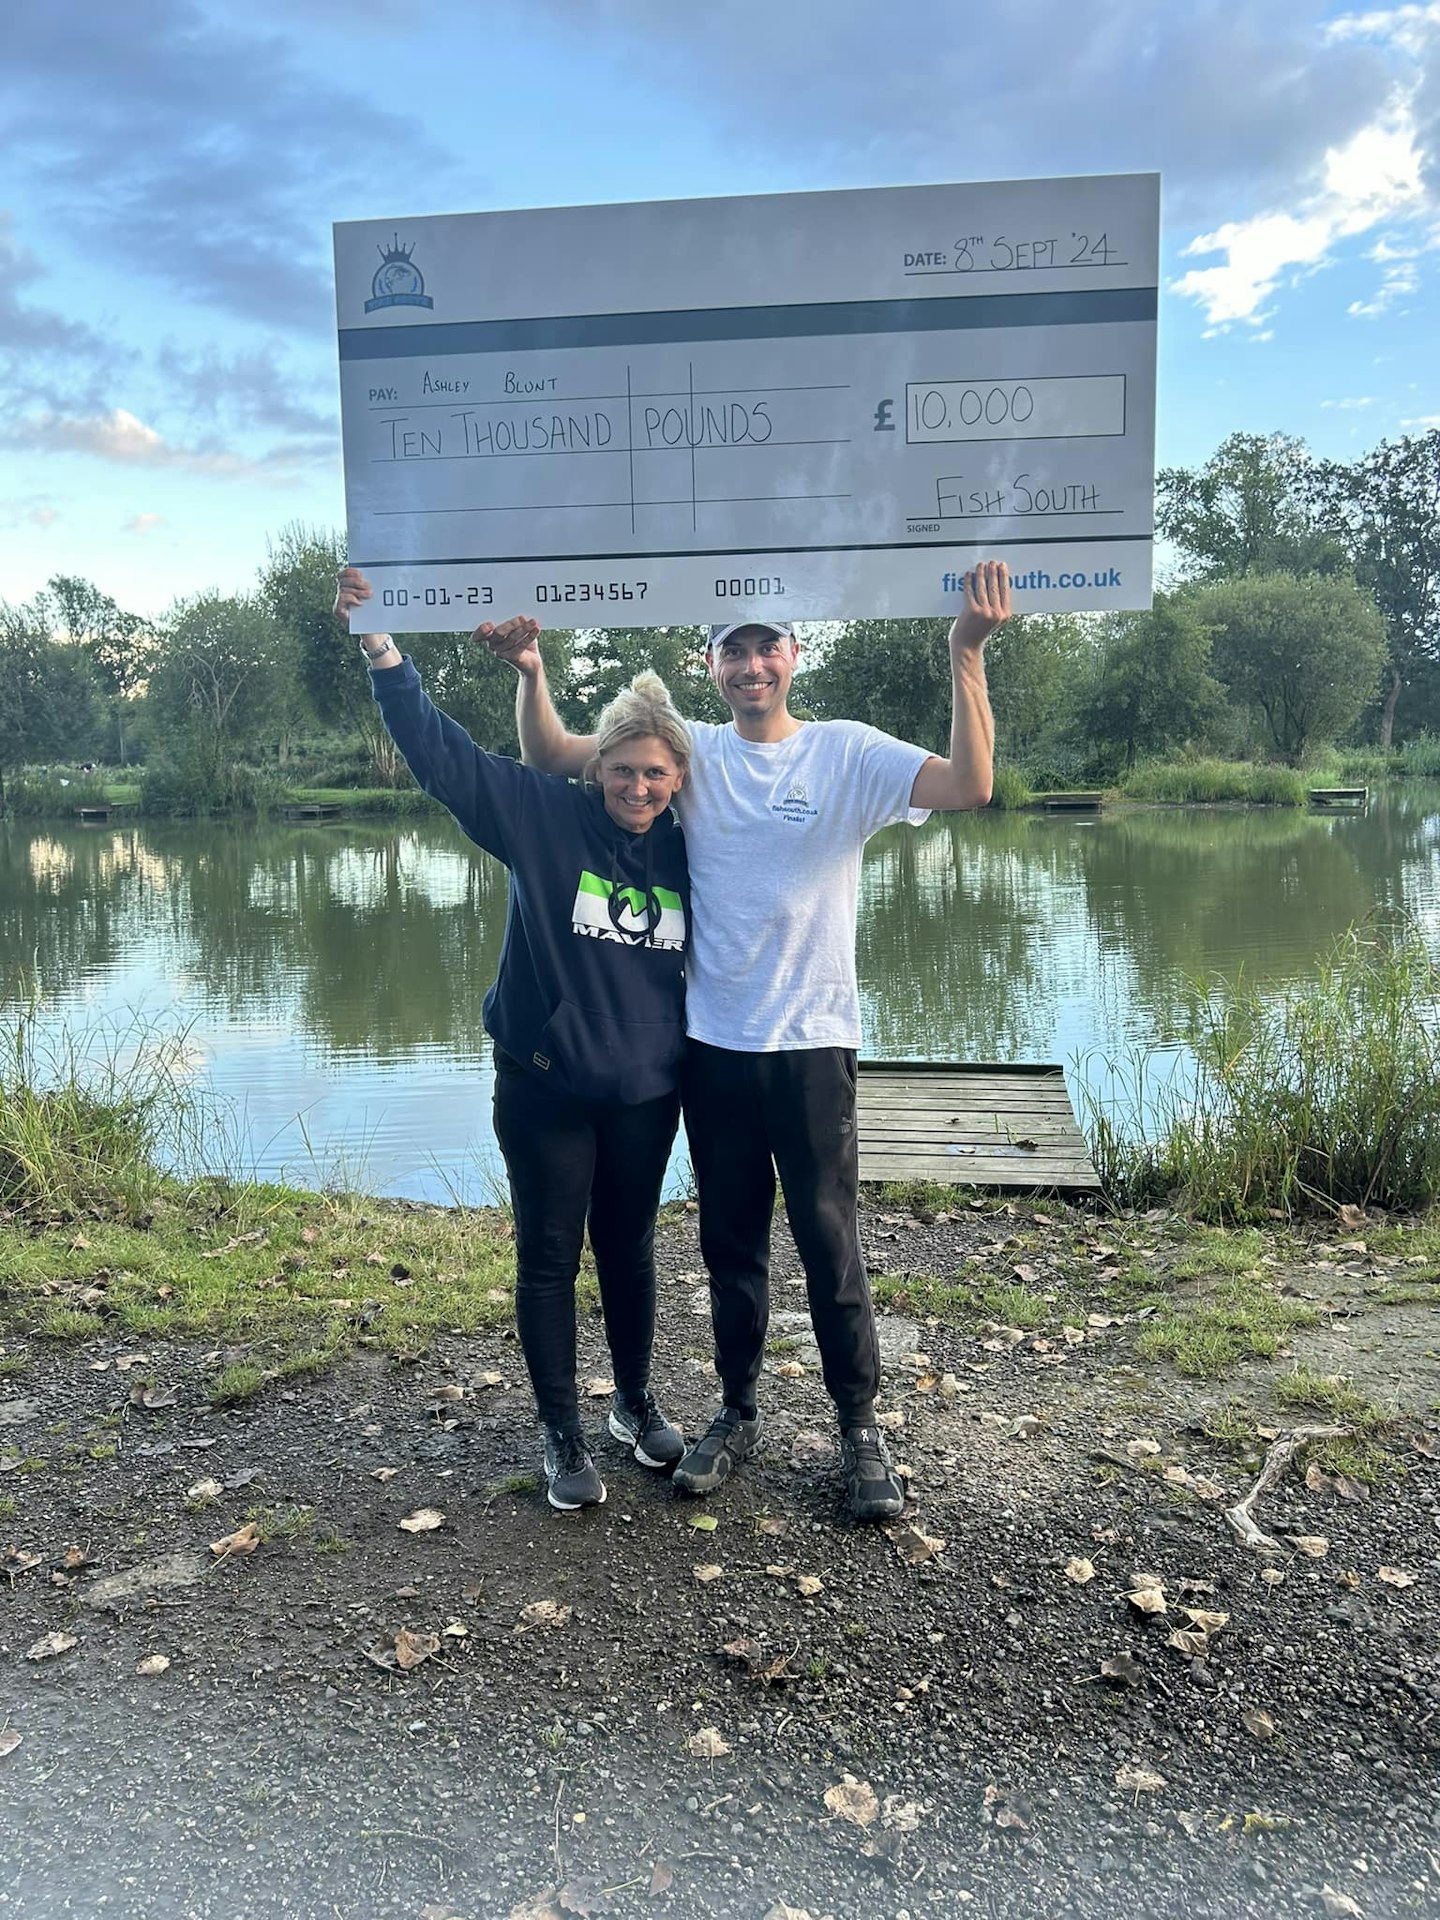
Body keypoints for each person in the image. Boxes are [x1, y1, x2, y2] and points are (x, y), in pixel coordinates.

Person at [486, 561, 1012, 1523]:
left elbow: (971, 784)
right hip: (713, 1049)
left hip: (813, 1045)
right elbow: (562, 754)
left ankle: (860, 1428)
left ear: (794, 656)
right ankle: (737, 1412)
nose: (753, 663)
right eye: (736, 648)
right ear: (714, 664)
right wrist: (531, 670)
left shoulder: (848, 754)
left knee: (826, 1242)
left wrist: (965, 650)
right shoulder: (692, 761)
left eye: (769, 644)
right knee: (731, 1245)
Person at [333, 568, 693, 1513]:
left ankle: (633, 1404)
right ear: (594, 768)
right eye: (623, 769)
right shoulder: (540, 817)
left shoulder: (696, 845)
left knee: (630, 1248)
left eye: (657, 773)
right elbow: (442, 757)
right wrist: (383, 648)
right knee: (548, 1253)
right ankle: (560, 1430)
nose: (639, 787)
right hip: (544, 1084)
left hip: (650, 1088)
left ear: (678, 780)